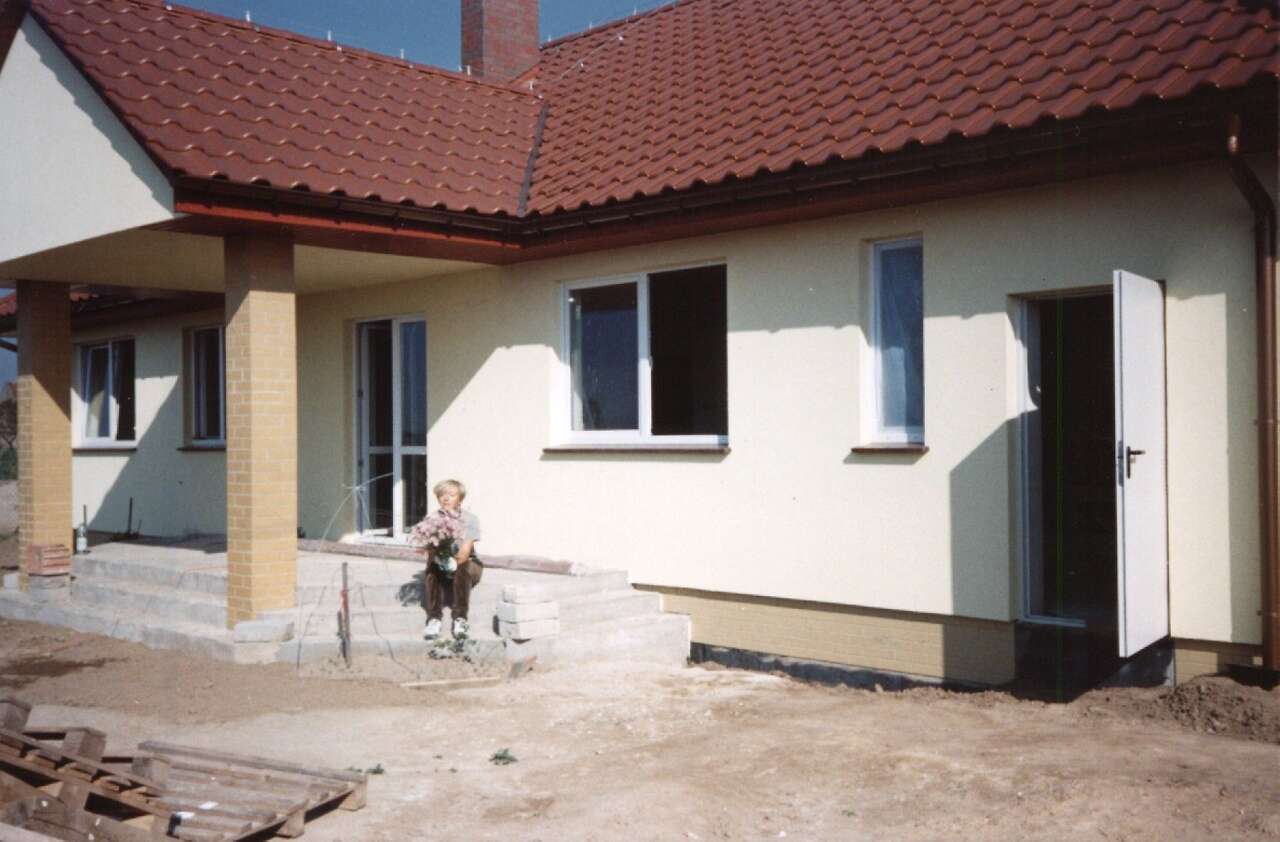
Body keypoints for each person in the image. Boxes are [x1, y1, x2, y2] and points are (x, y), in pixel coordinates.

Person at [423, 479, 482, 640]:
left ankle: (460, 618)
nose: (446, 498)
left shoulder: (470, 519)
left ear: (460, 498)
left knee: (463, 567)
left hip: (468, 563)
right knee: (431, 569)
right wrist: (436, 558)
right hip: (443, 563)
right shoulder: (432, 519)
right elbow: (429, 551)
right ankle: (434, 619)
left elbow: (464, 553)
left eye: (451, 495)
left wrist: (449, 561)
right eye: (442, 494)